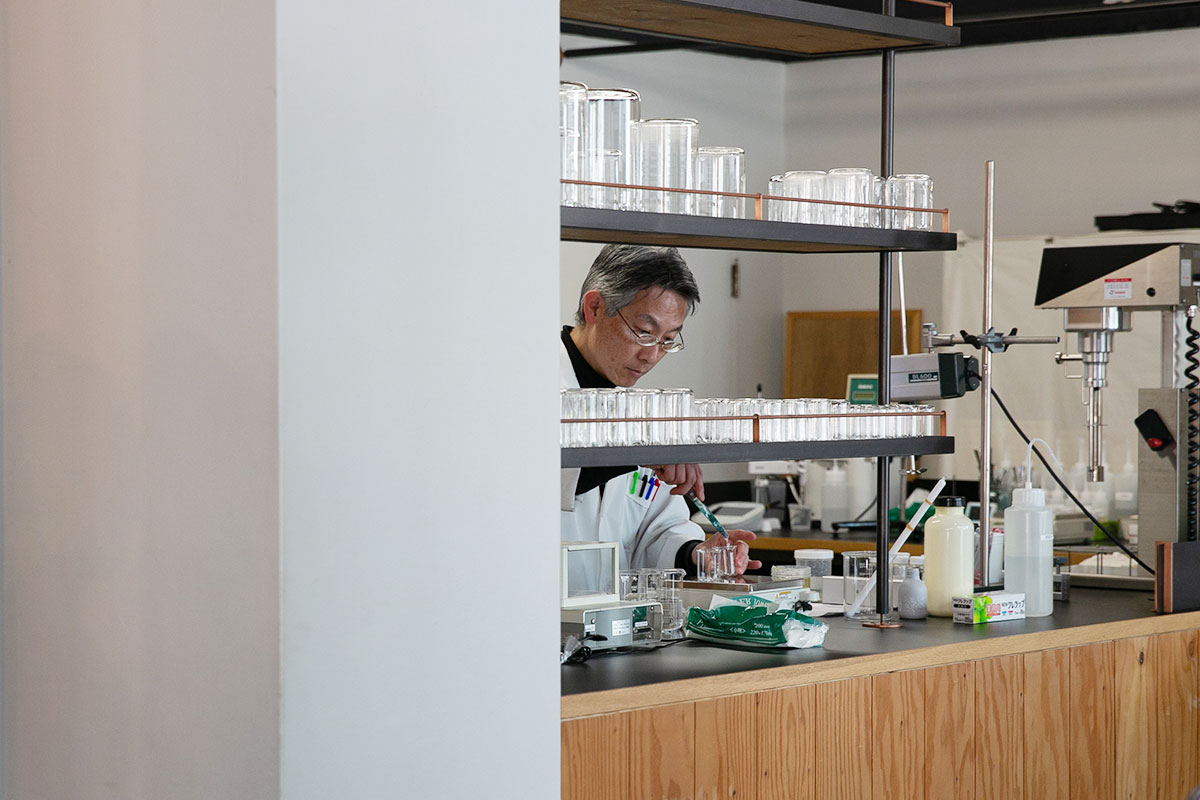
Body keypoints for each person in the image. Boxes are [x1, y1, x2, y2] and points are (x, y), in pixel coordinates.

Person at [561, 244, 760, 577]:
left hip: (613, 608)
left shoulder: (638, 411)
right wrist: (641, 451)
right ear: (594, 307)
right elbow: (534, 480)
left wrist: (695, 554)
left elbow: (656, 531)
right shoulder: (526, 387)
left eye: (667, 340)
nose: (651, 356)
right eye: (644, 333)